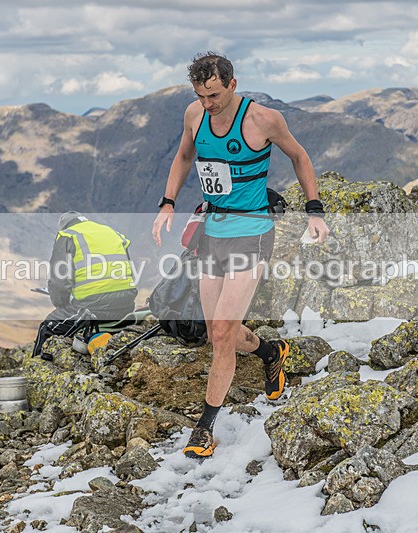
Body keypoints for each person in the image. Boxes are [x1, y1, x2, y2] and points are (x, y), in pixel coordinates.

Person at [152, 52, 330, 459]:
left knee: (218, 336)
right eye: (200, 95)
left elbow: (299, 156)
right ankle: (271, 352)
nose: (207, 104)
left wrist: (314, 210)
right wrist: (167, 203)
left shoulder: (262, 119)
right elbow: (184, 157)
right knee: (220, 331)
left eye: (213, 95)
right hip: (212, 233)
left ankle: (204, 427)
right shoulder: (194, 116)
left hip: (252, 235)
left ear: (232, 84)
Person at [32, 212, 138, 360]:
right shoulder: (111, 232)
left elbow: (60, 282)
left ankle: (33, 372)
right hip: (126, 307)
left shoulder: (67, 235)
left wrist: (61, 303)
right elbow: (129, 273)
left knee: (48, 326)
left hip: (94, 307)